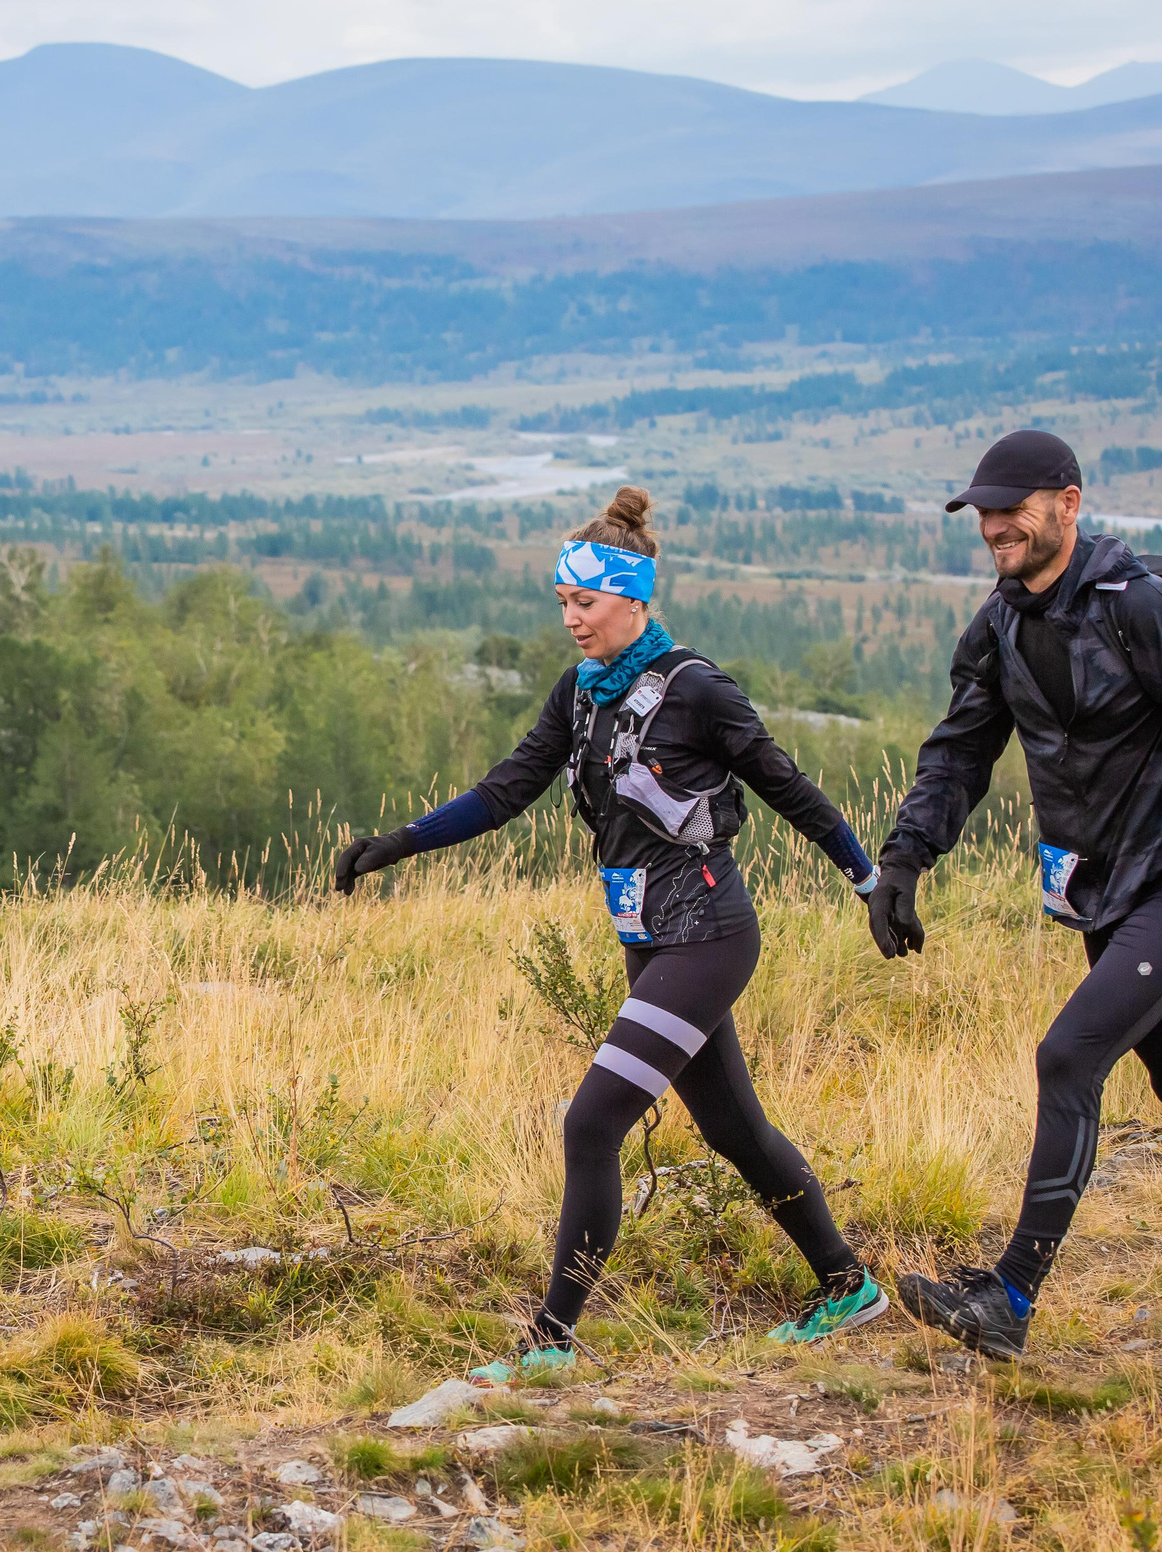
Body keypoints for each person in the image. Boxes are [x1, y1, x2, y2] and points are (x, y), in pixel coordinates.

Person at [334, 485, 887, 1382]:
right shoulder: (580, 694)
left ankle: (550, 1343)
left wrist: (867, 878)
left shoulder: (699, 690)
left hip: (707, 935)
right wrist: (395, 845)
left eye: (584, 603)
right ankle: (846, 1284)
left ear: (635, 598)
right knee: (737, 1130)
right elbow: (506, 788)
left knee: (591, 1122)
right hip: (649, 937)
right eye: (561, 602)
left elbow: (790, 787)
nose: (569, 620)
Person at [869, 430, 1162, 1361]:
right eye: (984, 512)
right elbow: (959, 751)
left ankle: (1012, 1297)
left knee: (1069, 1054)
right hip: (1109, 891)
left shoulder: (1143, 609)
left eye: (1012, 508)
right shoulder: (1001, 623)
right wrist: (906, 857)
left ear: (1068, 503)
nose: (994, 526)